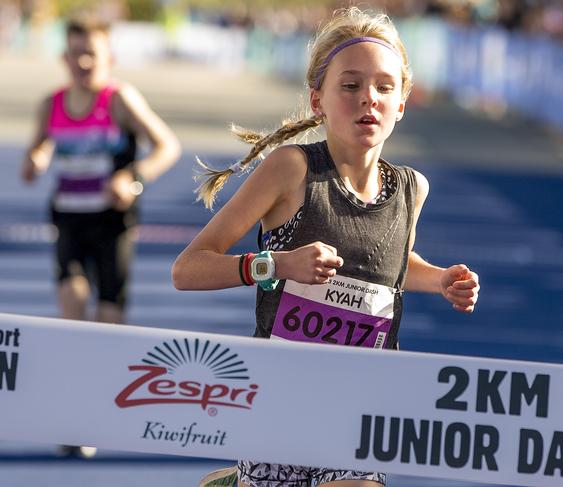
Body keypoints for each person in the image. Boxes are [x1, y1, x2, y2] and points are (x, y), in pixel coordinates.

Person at [173, 7, 479, 487]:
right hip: (279, 395)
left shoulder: (410, 189)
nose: (369, 100)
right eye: (350, 85)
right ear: (318, 100)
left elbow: (386, 266)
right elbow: (188, 269)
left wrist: (439, 280)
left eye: (384, 87)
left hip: (361, 399)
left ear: (402, 103)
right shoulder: (291, 170)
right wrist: (278, 265)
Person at [21, 18, 181, 328]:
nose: (83, 61)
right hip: (68, 217)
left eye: (91, 53)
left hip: (112, 221)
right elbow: (37, 148)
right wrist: (34, 162)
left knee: (109, 318)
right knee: (72, 308)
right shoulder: (50, 104)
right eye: (75, 53)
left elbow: (167, 146)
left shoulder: (120, 100)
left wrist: (134, 177)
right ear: (64, 58)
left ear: (110, 58)